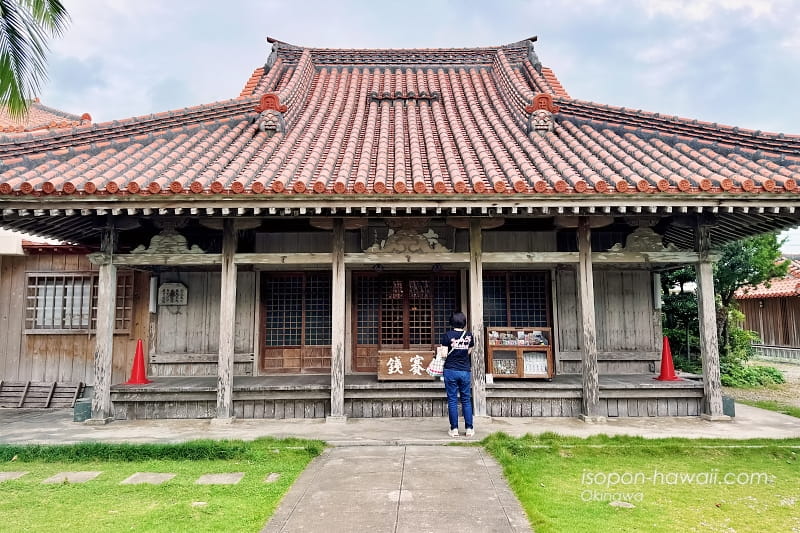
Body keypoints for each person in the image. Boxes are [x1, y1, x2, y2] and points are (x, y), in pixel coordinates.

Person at [440, 311, 475, 437]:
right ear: (464, 322)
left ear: (451, 321)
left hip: (450, 370)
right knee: (466, 399)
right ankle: (469, 428)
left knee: (452, 400)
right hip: (464, 370)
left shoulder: (447, 335)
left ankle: (454, 429)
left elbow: (444, 354)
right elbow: (469, 351)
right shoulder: (469, 335)